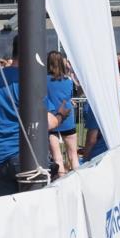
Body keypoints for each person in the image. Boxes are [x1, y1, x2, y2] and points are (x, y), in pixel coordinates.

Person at [0, 36, 73, 196]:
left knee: (7, 212)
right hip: (26, 157)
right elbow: (48, 122)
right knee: (34, 213)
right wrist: (60, 115)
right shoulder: (30, 82)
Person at [46, 50, 79, 178]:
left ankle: (60, 181)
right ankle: (78, 181)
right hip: (67, 118)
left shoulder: (44, 80)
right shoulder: (68, 81)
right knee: (73, 155)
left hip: (52, 119)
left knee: (57, 157)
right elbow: (70, 96)